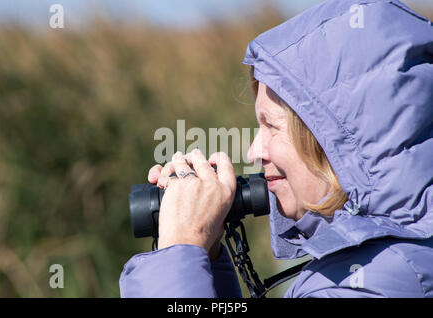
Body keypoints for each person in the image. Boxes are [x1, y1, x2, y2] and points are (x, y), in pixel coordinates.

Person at [120, 0, 433, 297]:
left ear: (338, 141)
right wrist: (204, 254)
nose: (255, 151)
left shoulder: (371, 285)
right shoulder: (385, 261)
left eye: (271, 126)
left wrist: (179, 251)